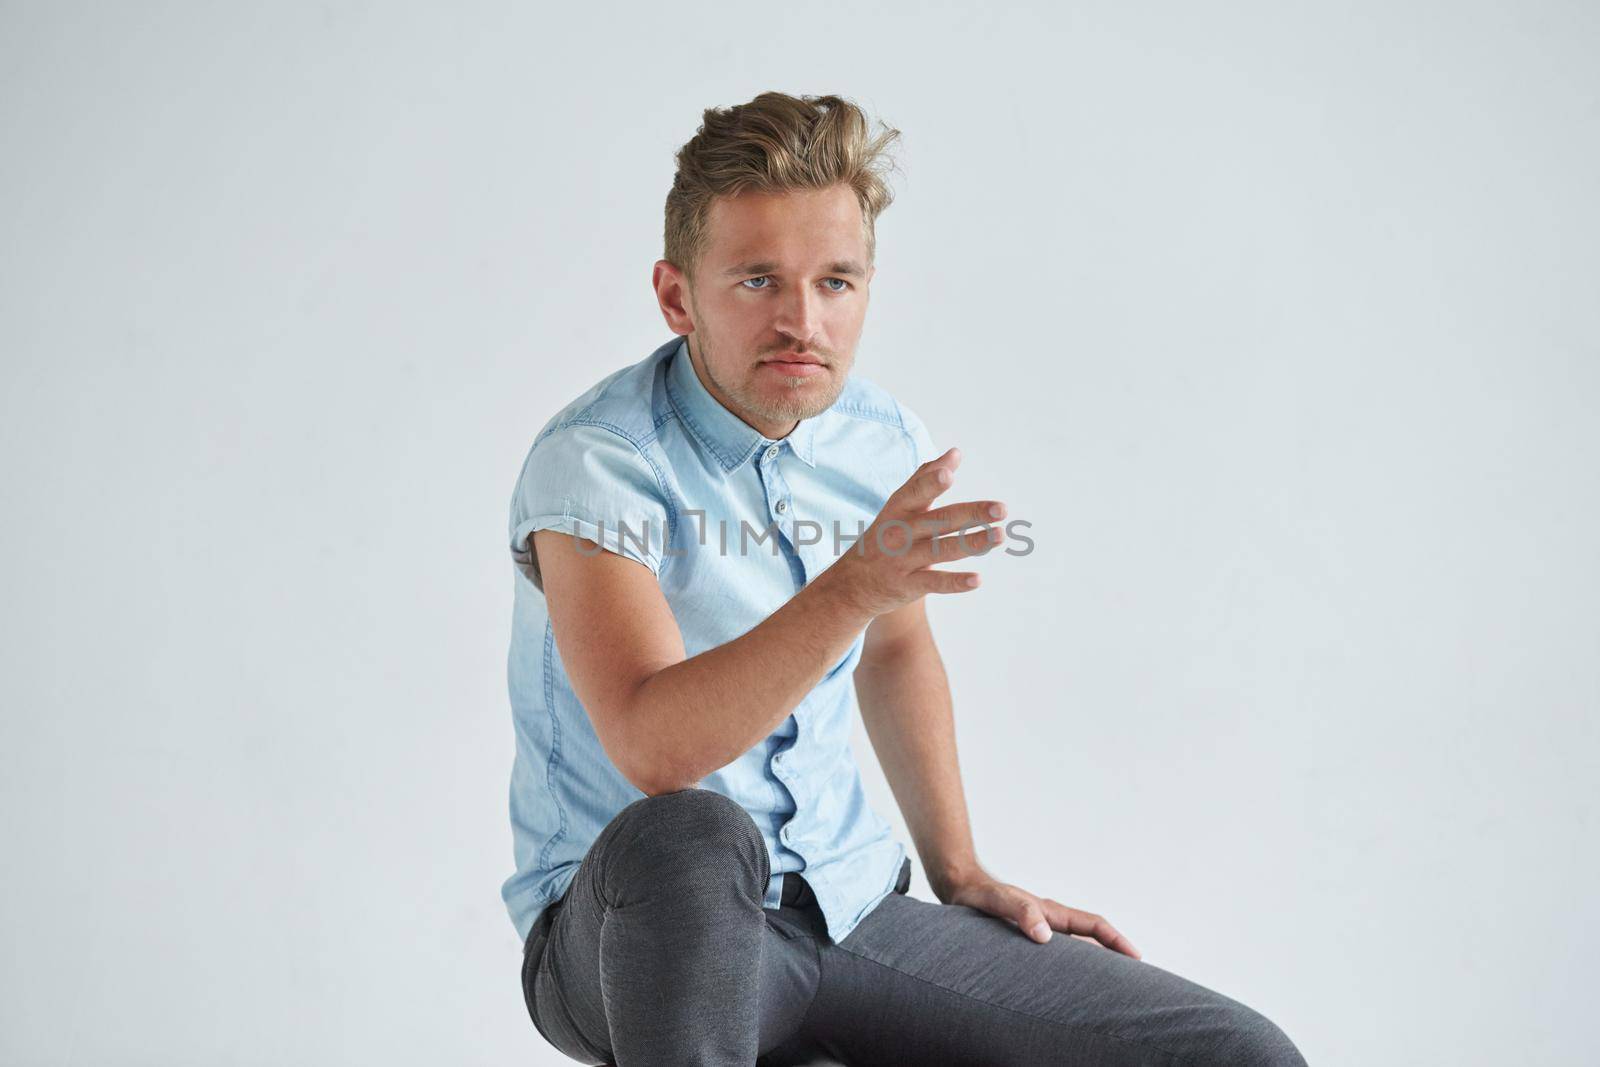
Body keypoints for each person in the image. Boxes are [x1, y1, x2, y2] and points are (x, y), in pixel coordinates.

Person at [501, 90, 1308, 1066]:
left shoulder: (880, 440)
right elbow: (654, 749)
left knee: (1233, 1055)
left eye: (835, 281)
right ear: (678, 297)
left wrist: (958, 867)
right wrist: (849, 584)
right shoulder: (596, 461)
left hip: (850, 913)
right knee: (691, 832)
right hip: (634, 939)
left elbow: (896, 648)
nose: (802, 320)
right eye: (758, 280)